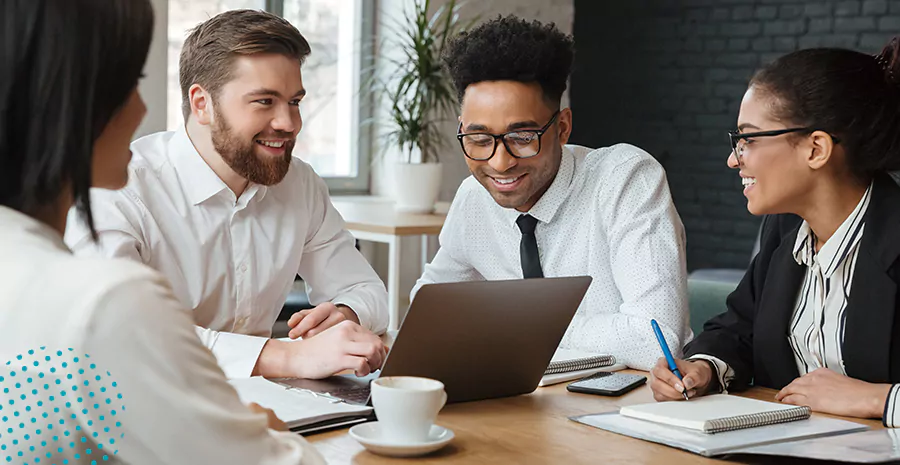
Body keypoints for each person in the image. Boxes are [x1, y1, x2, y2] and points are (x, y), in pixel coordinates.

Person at [0, 1, 325, 463]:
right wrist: (273, 436)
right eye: (131, 82)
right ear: (78, 105)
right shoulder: (106, 301)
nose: (143, 108)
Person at [64, 9, 388, 380]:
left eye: (294, 101)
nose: (289, 123)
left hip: (269, 405)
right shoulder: (120, 186)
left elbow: (367, 290)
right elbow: (119, 334)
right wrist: (283, 357)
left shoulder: (301, 184)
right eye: (265, 101)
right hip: (143, 408)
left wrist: (346, 313)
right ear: (202, 104)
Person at [412, 15, 691, 370]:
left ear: (562, 128)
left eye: (522, 138)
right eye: (480, 140)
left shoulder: (624, 179)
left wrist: (519, 325)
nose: (499, 163)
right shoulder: (474, 197)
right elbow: (427, 306)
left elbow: (657, 340)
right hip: (525, 402)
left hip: (626, 404)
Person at [649, 38, 900, 427]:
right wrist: (703, 368)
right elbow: (740, 327)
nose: (734, 159)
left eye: (748, 139)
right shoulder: (787, 227)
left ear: (816, 149)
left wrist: (878, 398)